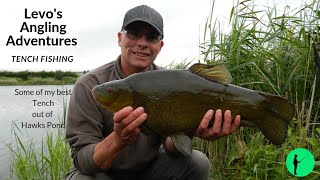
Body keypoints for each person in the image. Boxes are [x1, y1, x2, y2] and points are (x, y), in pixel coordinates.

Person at [65, 5, 241, 180]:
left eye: (151, 37)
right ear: (120, 38)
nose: (142, 43)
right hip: (103, 174)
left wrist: (190, 129)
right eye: (133, 33)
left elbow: (171, 146)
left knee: (198, 162)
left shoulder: (170, 83)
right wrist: (119, 139)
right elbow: (82, 161)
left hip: (148, 170)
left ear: (160, 45)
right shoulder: (90, 85)